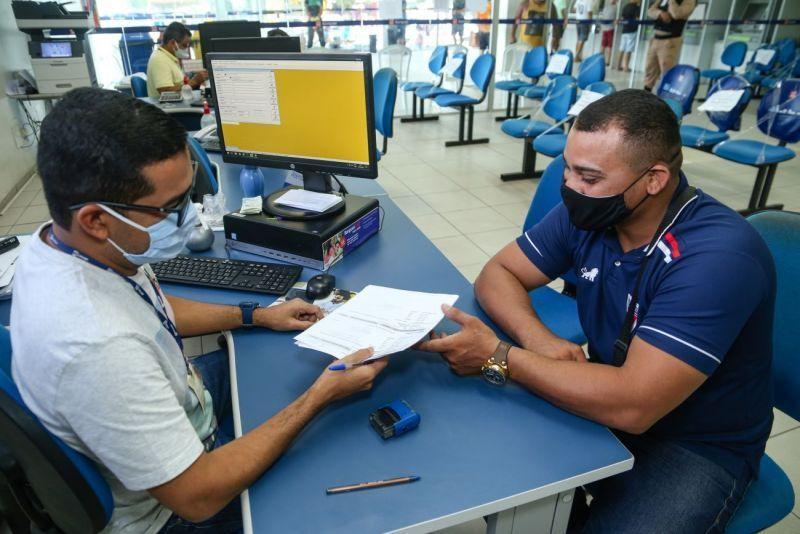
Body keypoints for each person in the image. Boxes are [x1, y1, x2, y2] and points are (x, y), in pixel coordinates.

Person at [11, 88, 386, 533]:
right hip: (172, 512)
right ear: (96, 219)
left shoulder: (64, 244)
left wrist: (256, 315)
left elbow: (150, 309)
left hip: (181, 400)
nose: (189, 218)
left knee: (295, 373)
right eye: (170, 209)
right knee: (339, 469)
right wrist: (319, 397)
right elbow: (197, 496)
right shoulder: (96, 345)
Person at [420, 90, 774, 532]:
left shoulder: (717, 257)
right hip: (609, 387)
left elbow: (633, 406)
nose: (570, 187)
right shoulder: (593, 213)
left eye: (588, 176)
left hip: (691, 442)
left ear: (654, 178)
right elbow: (498, 273)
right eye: (567, 168)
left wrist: (499, 357)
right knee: (480, 462)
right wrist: (539, 339)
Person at [145, 22, 208, 99]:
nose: (187, 49)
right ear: (172, 43)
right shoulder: (159, 60)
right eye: (184, 45)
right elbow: (165, 92)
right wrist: (194, 82)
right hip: (167, 109)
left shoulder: (170, 58)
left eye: (188, 45)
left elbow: (179, 84)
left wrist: (194, 80)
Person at [644, 0, 697, 91]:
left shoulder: (689, 1)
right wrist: (660, 12)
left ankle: (665, 98)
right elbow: (650, 11)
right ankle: (646, 94)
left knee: (667, 72)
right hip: (656, 39)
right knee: (650, 69)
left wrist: (672, 1)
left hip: (670, 41)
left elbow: (676, 14)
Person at [617, 0, 640, 72]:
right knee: (628, 50)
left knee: (622, 49)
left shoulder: (625, 7)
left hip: (624, 30)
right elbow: (637, 19)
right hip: (632, 30)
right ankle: (625, 67)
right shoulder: (636, 8)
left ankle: (618, 65)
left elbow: (622, 18)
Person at [599, 0, 617, 66]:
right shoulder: (615, 8)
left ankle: (600, 59)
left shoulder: (606, 7)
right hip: (610, 29)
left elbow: (602, 16)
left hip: (604, 29)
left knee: (603, 45)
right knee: (609, 45)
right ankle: (607, 61)